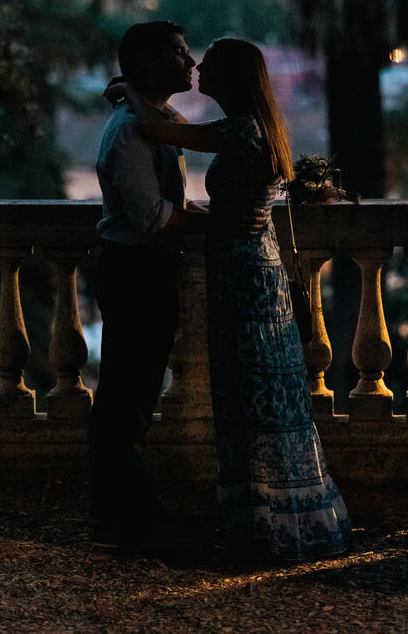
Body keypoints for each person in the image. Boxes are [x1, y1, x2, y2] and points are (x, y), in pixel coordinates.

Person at [117, 37, 351, 563]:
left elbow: (157, 129)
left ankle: (268, 521)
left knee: (254, 391)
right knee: (258, 388)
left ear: (232, 77)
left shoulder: (241, 126)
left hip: (245, 271)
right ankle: (276, 514)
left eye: (210, 64)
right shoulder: (254, 127)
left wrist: (129, 89)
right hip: (248, 263)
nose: (198, 67)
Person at [90, 21, 266, 551]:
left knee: (135, 392)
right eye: (179, 53)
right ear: (148, 61)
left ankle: (131, 513)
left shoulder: (160, 121)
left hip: (147, 270)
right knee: (127, 396)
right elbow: (151, 216)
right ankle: (123, 518)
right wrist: (221, 223)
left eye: (192, 55)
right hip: (135, 269)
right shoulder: (132, 130)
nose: (189, 63)